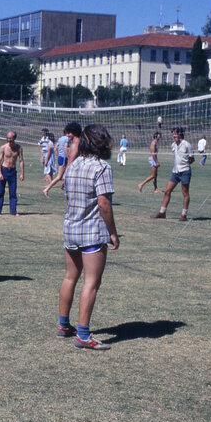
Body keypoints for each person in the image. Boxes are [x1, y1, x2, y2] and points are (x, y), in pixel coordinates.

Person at [57, 123, 119, 350]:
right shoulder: (101, 167)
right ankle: (83, 335)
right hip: (91, 231)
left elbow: (68, 196)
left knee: (70, 277)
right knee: (91, 282)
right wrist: (113, 232)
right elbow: (103, 203)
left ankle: (63, 325)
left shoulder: (72, 166)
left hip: (71, 228)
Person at [151, 127, 194, 221]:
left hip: (185, 171)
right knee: (167, 191)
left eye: (175, 134)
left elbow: (192, 159)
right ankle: (162, 213)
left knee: (185, 193)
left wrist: (184, 166)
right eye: (173, 134)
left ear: (180, 134)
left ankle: (184, 215)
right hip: (175, 172)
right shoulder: (173, 145)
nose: (173, 135)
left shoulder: (187, 145)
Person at [42, 122, 82, 198]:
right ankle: (46, 189)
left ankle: (47, 189)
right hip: (64, 159)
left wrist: (58, 154)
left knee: (59, 177)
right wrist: (65, 178)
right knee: (59, 177)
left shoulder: (74, 142)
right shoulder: (74, 144)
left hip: (62, 158)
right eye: (67, 133)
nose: (67, 135)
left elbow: (56, 146)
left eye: (69, 133)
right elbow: (70, 162)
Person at [0, 130, 24, 216]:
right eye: (8, 138)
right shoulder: (3, 147)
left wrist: (22, 173)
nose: (9, 140)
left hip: (13, 171)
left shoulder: (19, 148)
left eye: (11, 138)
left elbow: (21, 161)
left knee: (13, 192)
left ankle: (13, 211)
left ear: (14, 138)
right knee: (0, 191)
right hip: (4, 170)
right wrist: (0, 173)